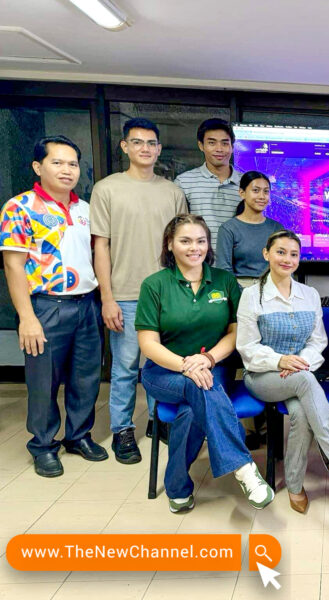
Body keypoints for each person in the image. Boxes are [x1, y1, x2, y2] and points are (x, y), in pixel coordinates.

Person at [135, 214, 274, 514]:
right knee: (198, 387)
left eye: (200, 241)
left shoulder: (224, 281)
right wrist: (187, 365)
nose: (194, 248)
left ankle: (177, 487)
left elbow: (235, 333)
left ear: (208, 245)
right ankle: (244, 468)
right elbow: (148, 344)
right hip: (164, 372)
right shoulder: (154, 285)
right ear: (170, 244)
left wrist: (208, 358)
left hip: (215, 367)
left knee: (192, 408)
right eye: (185, 241)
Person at [0, 135, 107, 477]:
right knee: (43, 380)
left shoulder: (86, 210)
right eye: (57, 162)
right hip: (46, 306)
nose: (67, 170)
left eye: (73, 163)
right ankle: (43, 444)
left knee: (86, 376)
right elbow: (13, 266)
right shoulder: (20, 207)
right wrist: (26, 317)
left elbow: (97, 256)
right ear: (38, 166)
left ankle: (78, 436)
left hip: (87, 304)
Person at [237, 230, 329, 513]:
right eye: (280, 252)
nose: (287, 259)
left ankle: (294, 486)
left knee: (302, 415)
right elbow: (246, 347)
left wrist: (299, 363)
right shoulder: (251, 296)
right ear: (266, 254)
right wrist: (280, 361)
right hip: (262, 375)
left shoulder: (309, 294)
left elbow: (318, 341)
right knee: (305, 381)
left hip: (300, 375)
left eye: (294, 254)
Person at [91, 117, 187, 464]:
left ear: (158, 149)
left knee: (164, 365)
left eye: (151, 143)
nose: (145, 148)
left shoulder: (173, 192)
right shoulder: (107, 189)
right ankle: (122, 430)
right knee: (126, 367)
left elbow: (184, 244)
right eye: (137, 142)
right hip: (126, 294)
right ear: (125, 146)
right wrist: (107, 298)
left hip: (167, 294)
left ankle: (158, 422)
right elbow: (100, 246)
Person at [174, 118, 242, 246]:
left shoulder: (246, 184)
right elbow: (177, 229)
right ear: (201, 145)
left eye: (225, 143)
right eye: (212, 143)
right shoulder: (184, 182)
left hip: (236, 257)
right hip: (198, 256)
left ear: (232, 147)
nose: (219, 149)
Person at [216, 171, 285, 288]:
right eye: (256, 190)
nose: (262, 196)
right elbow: (224, 270)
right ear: (242, 193)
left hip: (272, 287)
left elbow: (284, 264)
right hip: (239, 288)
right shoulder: (228, 229)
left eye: (266, 191)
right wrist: (241, 294)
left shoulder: (277, 228)